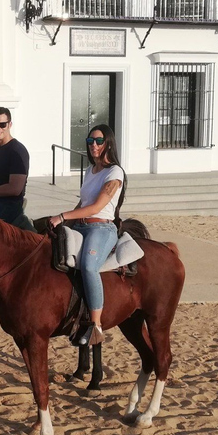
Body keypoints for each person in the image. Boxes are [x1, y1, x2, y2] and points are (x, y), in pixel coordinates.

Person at [48, 124, 126, 348]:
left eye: (99, 141)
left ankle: (95, 325)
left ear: (108, 142)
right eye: (90, 141)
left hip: (102, 228)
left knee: (89, 266)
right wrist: (62, 224)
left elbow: (96, 207)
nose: (94, 145)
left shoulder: (115, 172)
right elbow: (82, 203)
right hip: (81, 226)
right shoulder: (90, 171)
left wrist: (62, 216)